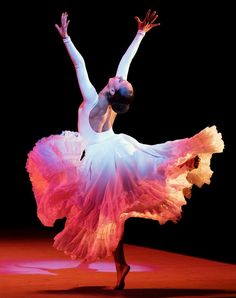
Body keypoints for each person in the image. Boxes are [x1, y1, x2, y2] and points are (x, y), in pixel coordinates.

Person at [26, 9, 224, 290]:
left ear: (113, 91)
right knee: (122, 198)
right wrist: (140, 34)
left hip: (102, 158)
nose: (119, 77)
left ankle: (183, 165)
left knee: (110, 209)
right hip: (114, 149)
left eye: (121, 81)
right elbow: (125, 64)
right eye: (122, 80)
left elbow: (79, 67)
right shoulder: (109, 100)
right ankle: (121, 265)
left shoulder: (95, 100)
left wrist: (67, 39)